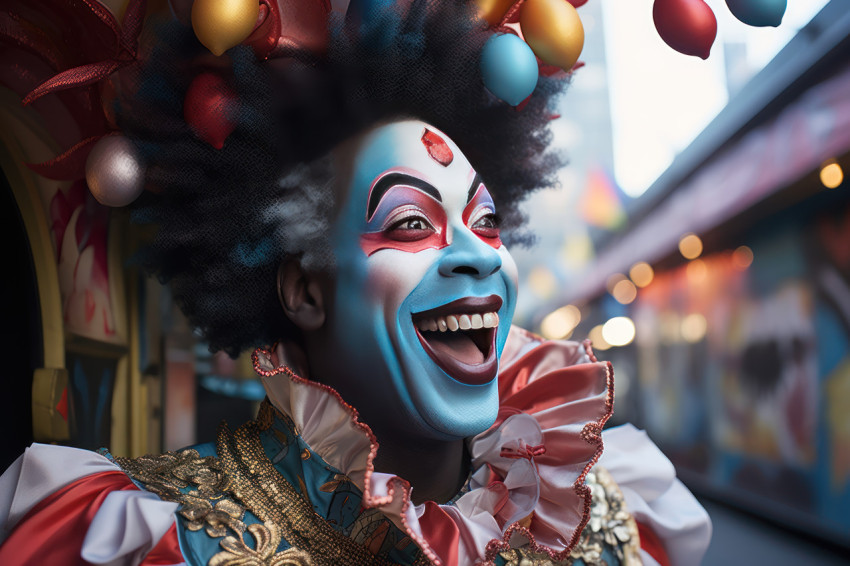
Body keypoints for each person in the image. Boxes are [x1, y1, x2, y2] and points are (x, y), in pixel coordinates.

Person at [0, 1, 710, 564]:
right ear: (306, 291)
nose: (477, 256)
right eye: (409, 225)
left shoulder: (609, 517)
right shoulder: (150, 537)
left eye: (486, 222)